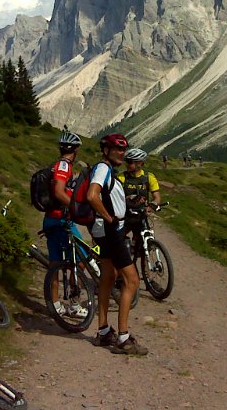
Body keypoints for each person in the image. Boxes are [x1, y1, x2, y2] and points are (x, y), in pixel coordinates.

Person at [87, 133, 148, 355]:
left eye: (123, 149)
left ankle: (103, 331)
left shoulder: (105, 169)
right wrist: (110, 217)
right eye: (116, 149)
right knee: (131, 280)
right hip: (111, 231)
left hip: (103, 230)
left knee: (108, 277)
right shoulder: (103, 169)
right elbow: (92, 196)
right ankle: (122, 338)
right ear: (106, 150)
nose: (121, 153)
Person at [42, 130, 87, 318]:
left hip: (51, 219)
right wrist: (75, 208)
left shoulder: (58, 165)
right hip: (61, 220)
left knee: (55, 263)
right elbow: (60, 191)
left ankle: (55, 305)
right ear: (75, 149)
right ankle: (74, 305)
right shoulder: (63, 166)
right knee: (81, 259)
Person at [119, 148, 161, 241]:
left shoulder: (149, 177)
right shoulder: (121, 177)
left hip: (141, 216)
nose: (127, 165)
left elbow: (157, 197)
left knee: (144, 244)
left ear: (140, 163)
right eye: (127, 161)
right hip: (125, 216)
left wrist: (152, 205)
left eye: (130, 162)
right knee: (116, 242)